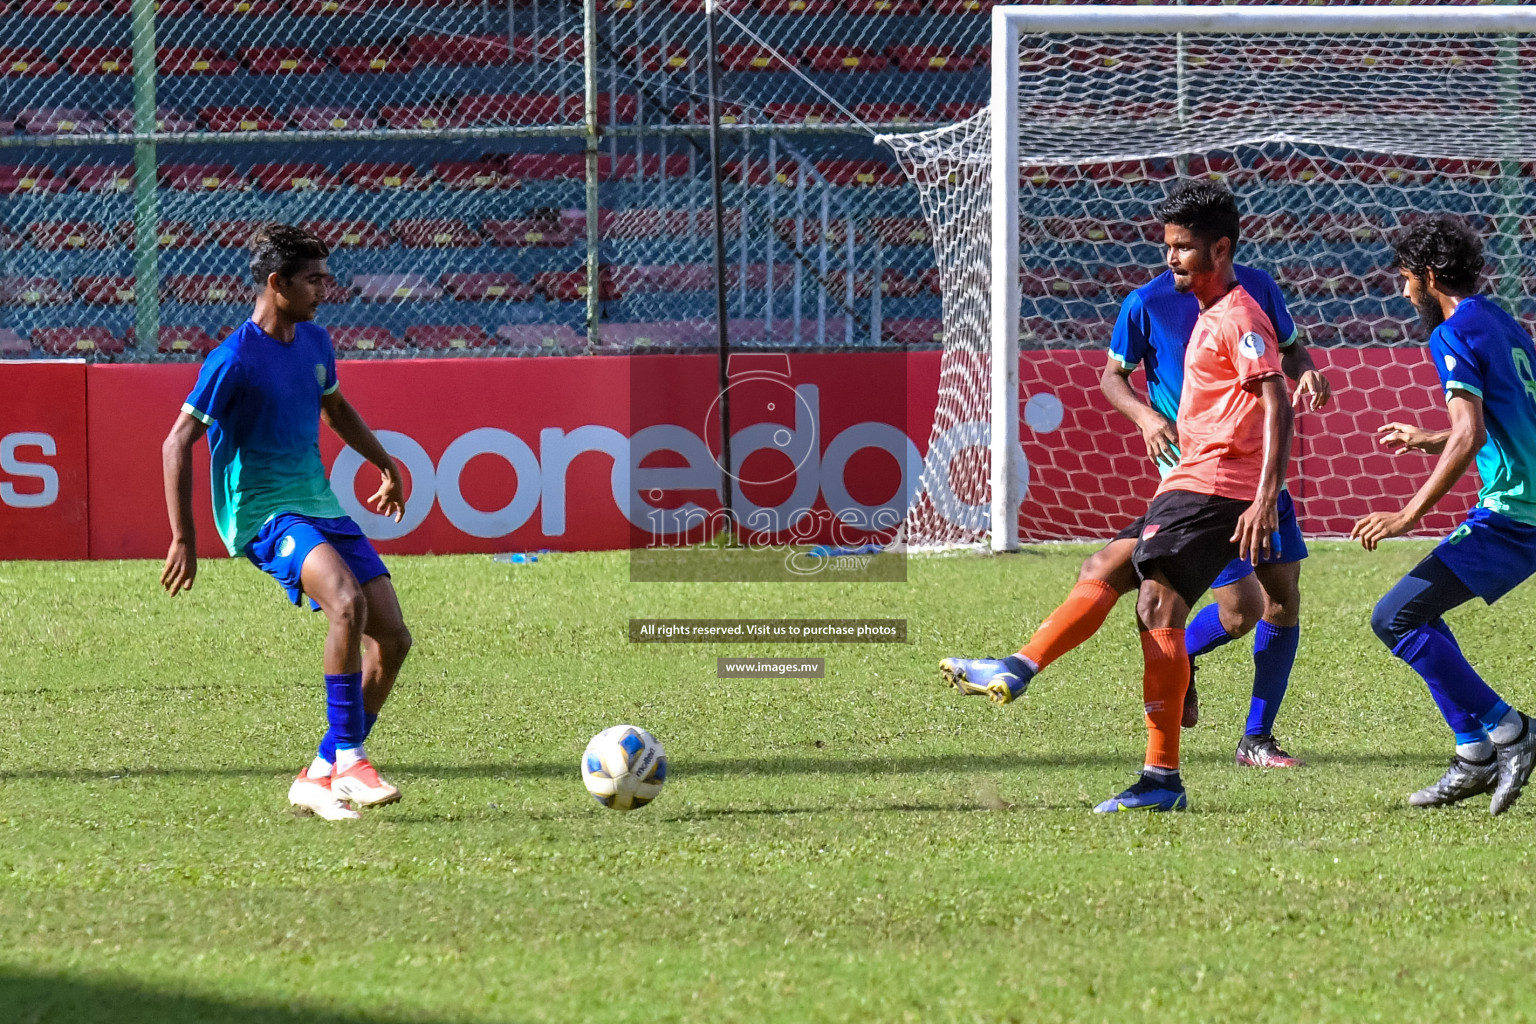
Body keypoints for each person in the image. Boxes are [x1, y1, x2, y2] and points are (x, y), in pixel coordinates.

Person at [941, 181, 1329, 768]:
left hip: (1230, 479)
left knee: (1266, 603)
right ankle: (1043, 680)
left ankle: (1242, 741)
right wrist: (1149, 417)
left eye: (1181, 246)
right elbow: (1112, 375)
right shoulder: (1151, 303)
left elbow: (1278, 375)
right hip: (1199, 475)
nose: (1170, 257)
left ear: (1218, 249)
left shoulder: (1246, 300)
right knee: (1179, 596)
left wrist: (1306, 376)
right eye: (1167, 245)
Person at [160, 223, 413, 821]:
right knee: (345, 603)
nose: (327, 286)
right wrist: (184, 536)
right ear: (277, 284)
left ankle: (320, 773)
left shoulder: (316, 341)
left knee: (394, 642)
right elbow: (178, 442)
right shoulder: (234, 358)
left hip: (321, 505)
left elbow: (335, 408)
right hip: (265, 513)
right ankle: (350, 758)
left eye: (326, 275)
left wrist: (384, 462)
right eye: (313, 278)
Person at [1353, 215, 1536, 815]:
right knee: (1420, 613)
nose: (1404, 292)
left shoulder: (1451, 332)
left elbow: (1471, 433)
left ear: (1430, 277)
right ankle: (1473, 754)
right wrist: (1430, 437)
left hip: (1515, 515)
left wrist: (1406, 515)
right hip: (1528, 508)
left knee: (1393, 618)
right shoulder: (1503, 322)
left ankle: (1510, 734)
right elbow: (1506, 419)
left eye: (1406, 279)